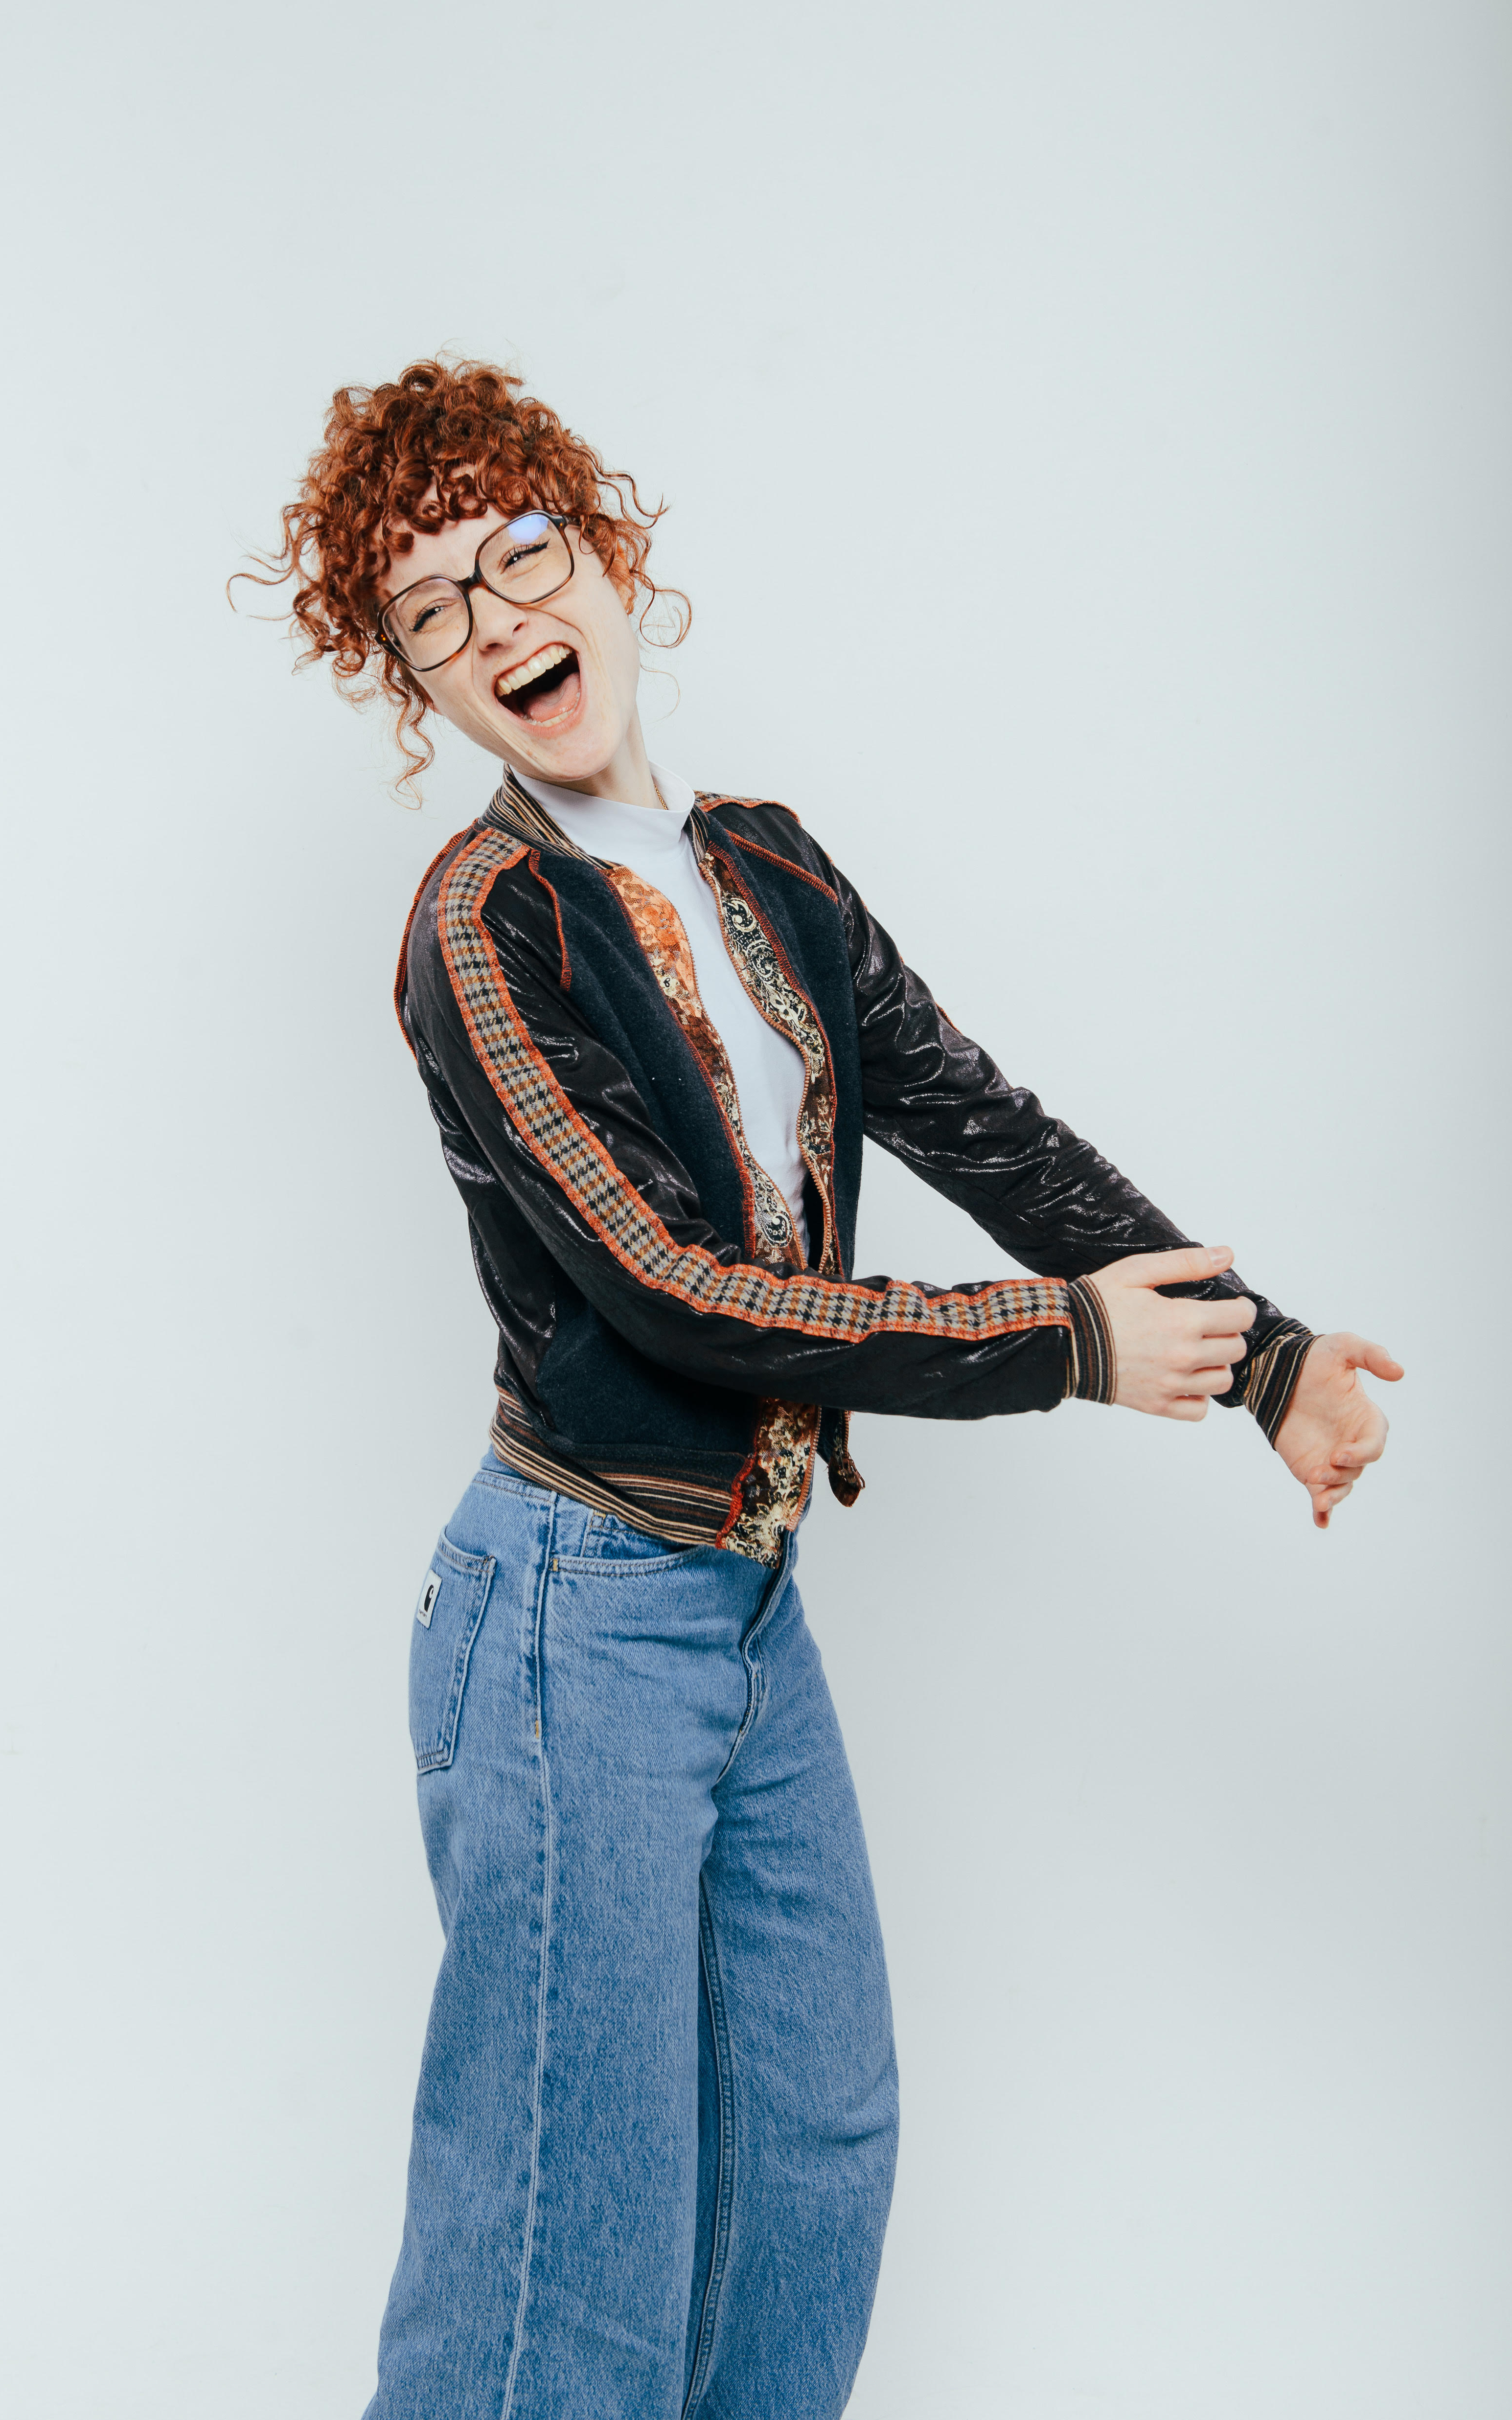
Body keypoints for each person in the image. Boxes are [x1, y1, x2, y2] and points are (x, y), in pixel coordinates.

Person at [248, 358, 1400, 2420]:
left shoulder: (766, 865)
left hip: (744, 1604)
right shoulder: (478, 930)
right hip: (569, 1619)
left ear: (610, 561)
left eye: (523, 555)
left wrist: (1268, 1361)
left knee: (810, 2163)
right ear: (412, 682)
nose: (498, 620)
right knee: (564, 2247)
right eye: (431, 611)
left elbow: (979, 1123)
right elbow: (670, 1292)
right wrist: (1057, 1346)